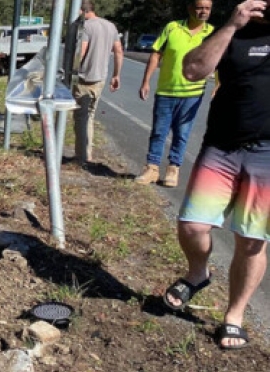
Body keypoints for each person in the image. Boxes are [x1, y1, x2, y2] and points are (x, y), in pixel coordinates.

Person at [165, 0, 269, 350]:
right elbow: (193, 70)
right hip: (222, 146)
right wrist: (231, 26)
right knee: (192, 225)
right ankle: (198, 274)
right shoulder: (230, 35)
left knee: (252, 239)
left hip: (267, 154)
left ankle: (234, 317)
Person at [135, 0, 214, 187]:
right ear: (190, 8)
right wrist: (146, 81)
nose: (203, 11)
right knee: (158, 132)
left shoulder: (212, 33)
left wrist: (219, 85)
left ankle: (173, 169)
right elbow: (156, 54)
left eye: (207, 8)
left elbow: (219, 61)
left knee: (182, 133)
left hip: (193, 94)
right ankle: (152, 168)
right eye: (199, 7)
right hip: (166, 90)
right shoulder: (172, 27)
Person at [73, 0, 123, 165]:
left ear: (82, 11)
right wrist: (116, 75)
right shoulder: (111, 26)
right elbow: (118, 51)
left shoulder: (86, 27)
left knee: (81, 117)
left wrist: (71, 70)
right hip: (100, 78)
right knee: (90, 115)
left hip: (84, 78)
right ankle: (86, 153)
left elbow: (82, 50)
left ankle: (82, 156)